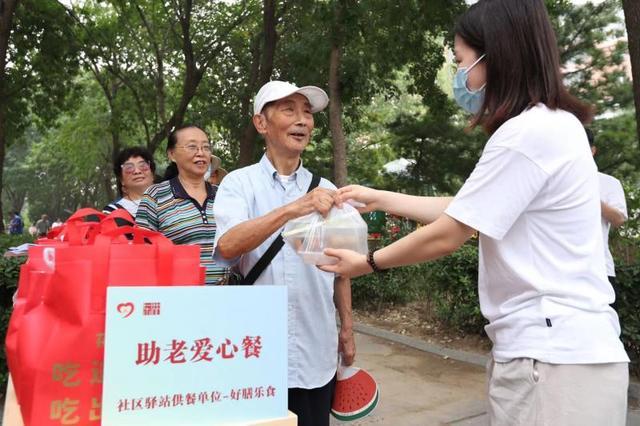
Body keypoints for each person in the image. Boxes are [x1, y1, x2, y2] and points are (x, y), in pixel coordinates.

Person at [321, 2, 629, 425]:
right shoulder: (553, 125)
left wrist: (368, 263)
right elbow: (470, 210)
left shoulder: (525, 134)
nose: (460, 75)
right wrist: (381, 197)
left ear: (494, 56)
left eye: (461, 61)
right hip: (563, 353)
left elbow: (454, 230)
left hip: (552, 357)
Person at [213, 81, 356, 426]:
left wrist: (347, 329)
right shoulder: (238, 184)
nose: (302, 121)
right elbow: (228, 245)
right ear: (261, 124)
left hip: (315, 349)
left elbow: (339, 268)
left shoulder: (327, 190)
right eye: (289, 110)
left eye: (307, 113)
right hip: (256, 350)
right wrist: (294, 208)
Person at [136, 125, 227, 285]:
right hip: (179, 299)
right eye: (192, 146)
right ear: (172, 154)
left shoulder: (225, 194)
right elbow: (142, 253)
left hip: (230, 296)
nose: (201, 152)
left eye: (206, 147)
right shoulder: (155, 195)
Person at [586, 128, 628, 291]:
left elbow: (619, 219)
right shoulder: (555, 183)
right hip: (560, 273)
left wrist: (584, 194)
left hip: (600, 269)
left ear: (593, 150)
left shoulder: (609, 183)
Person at [103, 147, 156, 218]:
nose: (137, 171)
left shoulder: (171, 201)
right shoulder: (112, 211)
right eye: (129, 168)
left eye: (142, 166)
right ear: (122, 180)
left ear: (152, 174)